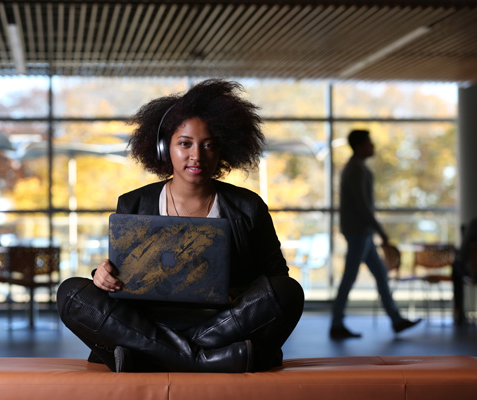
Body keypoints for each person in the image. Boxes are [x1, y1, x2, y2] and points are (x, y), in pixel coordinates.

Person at [57, 79, 304, 373]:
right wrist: (102, 276)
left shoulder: (248, 207)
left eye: (208, 145)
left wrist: (237, 293)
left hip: (224, 324)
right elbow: (121, 274)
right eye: (185, 143)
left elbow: (277, 278)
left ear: (223, 149)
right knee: (70, 293)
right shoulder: (133, 203)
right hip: (146, 323)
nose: (196, 155)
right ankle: (203, 359)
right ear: (164, 148)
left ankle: (156, 356)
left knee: (288, 291)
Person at [330, 129, 421, 339]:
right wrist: (381, 231)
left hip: (362, 233)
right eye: (369, 143)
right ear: (360, 146)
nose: (373, 147)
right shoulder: (356, 169)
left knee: (380, 275)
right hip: (359, 232)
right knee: (350, 277)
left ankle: (396, 320)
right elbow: (363, 206)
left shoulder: (355, 168)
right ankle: (336, 323)